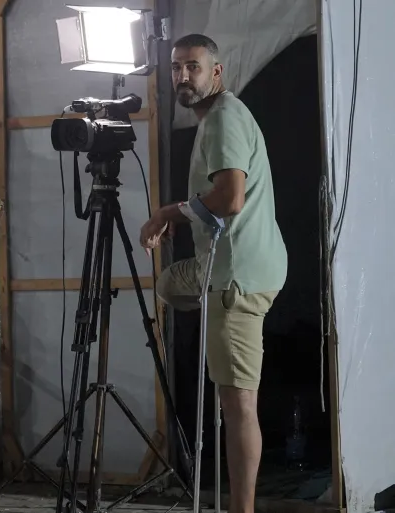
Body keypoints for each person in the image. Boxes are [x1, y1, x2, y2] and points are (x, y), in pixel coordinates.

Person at [138, 34, 287, 513]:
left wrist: (171, 212)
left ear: (216, 73)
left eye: (193, 67)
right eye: (176, 67)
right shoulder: (217, 118)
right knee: (167, 284)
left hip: (235, 278)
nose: (182, 76)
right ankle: (209, 305)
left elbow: (230, 198)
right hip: (227, 268)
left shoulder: (223, 117)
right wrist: (182, 220)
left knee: (237, 403)